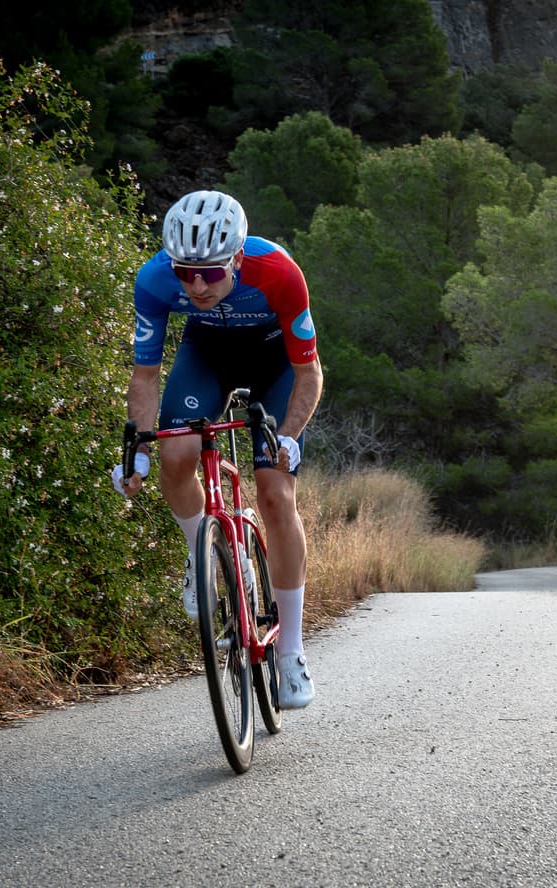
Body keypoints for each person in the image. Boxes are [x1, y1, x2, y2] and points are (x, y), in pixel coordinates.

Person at [110, 190, 322, 709]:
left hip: (274, 365)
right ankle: (200, 552)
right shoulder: (153, 279)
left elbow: (308, 372)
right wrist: (135, 446)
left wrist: (289, 437)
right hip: (206, 355)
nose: (197, 285)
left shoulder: (278, 271)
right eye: (186, 272)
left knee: (275, 493)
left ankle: (291, 650)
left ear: (237, 259)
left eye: (209, 272)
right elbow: (144, 376)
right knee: (173, 457)